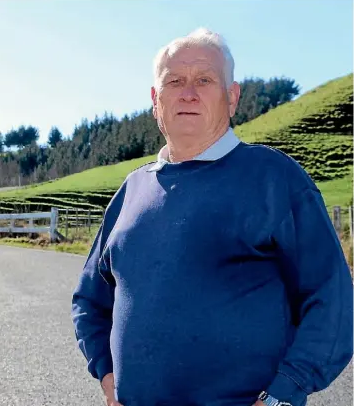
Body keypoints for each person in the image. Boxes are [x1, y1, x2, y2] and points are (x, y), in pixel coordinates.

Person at [71, 27, 353, 406]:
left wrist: (284, 393)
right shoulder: (131, 191)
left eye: (204, 79)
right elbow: (90, 299)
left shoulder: (274, 179)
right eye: (175, 81)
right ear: (156, 100)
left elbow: (332, 300)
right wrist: (106, 374)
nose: (188, 92)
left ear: (232, 96)